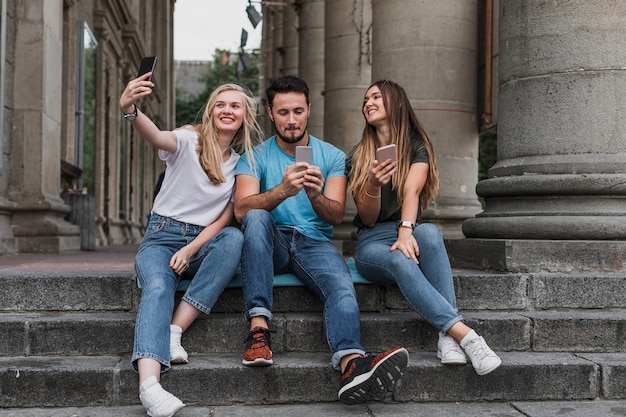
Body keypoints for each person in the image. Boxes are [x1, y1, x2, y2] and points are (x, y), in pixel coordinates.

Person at [233, 75, 409, 405]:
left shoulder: (330, 156)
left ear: (309, 110)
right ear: (271, 114)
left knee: (341, 285)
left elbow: (334, 215)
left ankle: (351, 364)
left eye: (298, 111)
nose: (291, 120)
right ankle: (259, 332)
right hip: (271, 242)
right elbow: (241, 210)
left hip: (314, 243)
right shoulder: (254, 157)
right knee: (257, 216)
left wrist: (314, 194)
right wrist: (283, 191)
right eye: (283, 112)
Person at [120, 73, 263, 417]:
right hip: (161, 236)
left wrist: (189, 249)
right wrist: (130, 109)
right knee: (156, 287)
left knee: (233, 238)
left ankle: (174, 330)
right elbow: (155, 134)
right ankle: (150, 386)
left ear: (245, 116)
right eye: (220, 104)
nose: (227, 110)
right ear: (211, 110)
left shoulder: (242, 164)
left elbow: (222, 219)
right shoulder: (188, 139)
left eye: (235, 106)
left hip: (201, 242)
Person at [346, 79, 502, 377]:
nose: (368, 103)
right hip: (371, 242)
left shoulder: (417, 146)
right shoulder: (358, 156)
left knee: (429, 233)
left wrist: (406, 231)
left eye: (376, 97)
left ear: (398, 104)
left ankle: (446, 337)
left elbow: (411, 192)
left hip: (406, 227)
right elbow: (367, 218)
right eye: (365, 99)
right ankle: (466, 336)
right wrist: (374, 184)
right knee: (398, 257)